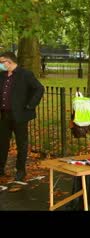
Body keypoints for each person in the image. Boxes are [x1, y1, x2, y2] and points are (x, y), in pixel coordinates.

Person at [0, 51, 45, 181]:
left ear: (9, 62)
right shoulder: (2, 75)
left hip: (19, 116)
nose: (0, 65)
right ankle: (1, 169)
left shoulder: (25, 74)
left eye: (1, 62)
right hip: (4, 115)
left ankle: (20, 170)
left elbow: (39, 89)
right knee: (2, 143)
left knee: (21, 143)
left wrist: (30, 105)